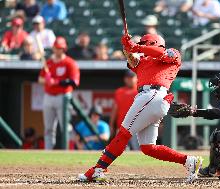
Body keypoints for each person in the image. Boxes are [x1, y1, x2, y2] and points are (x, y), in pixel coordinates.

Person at [78, 34, 203, 183]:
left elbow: (159, 53)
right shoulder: (143, 61)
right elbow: (132, 60)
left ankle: (98, 169)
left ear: (154, 43)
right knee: (148, 147)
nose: (143, 48)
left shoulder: (173, 53)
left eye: (145, 44)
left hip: (153, 94)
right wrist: (126, 46)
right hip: (152, 98)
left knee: (123, 134)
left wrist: (136, 46)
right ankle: (189, 161)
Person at [38, 37, 80, 150]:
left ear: (64, 49)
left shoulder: (69, 63)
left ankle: (69, 150)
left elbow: (74, 82)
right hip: (48, 96)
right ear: (53, 48)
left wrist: (56, 82)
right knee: (48, 128)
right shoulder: (49, 63)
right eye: (56, 48)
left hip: (63, 97)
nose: (58, 50)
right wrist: (47, 80)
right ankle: (48, 151)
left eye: (60, 48)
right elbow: (40, 79)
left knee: (65, 127)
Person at [109, 70, 139, 150]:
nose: (129, 80)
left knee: (138, 152)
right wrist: (111, 125)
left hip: (136, 128)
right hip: (121, 128)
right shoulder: (119, 91)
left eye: (131, 77)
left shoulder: (141, 91)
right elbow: (115, 110)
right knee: (118, 151)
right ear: (125, 79)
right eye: (128, 78)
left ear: (136, 78)